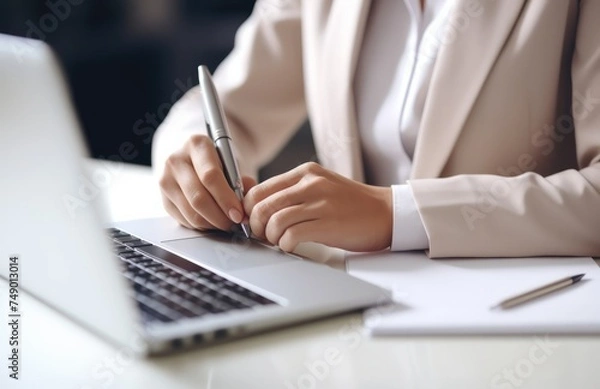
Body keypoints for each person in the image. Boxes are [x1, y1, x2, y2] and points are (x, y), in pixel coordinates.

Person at [152, 0, 600, 257]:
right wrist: (190, 158)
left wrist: (397, 213)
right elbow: (225, 106)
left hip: (519, 321)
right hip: (349, 307)